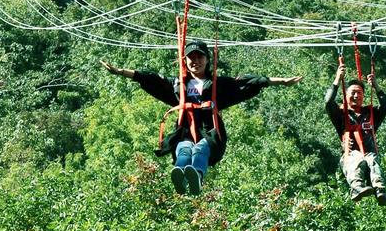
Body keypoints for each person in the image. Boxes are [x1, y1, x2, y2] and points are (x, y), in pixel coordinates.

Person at [101, 40, 302, 196]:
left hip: (209, 130)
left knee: (200, 149)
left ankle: (197, 175)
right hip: (185, 129)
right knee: (183, 149)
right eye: (191, 58)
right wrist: (121, 72)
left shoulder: (217, 84)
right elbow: (151, 78)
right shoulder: (177, 84)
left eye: (200, 57)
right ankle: (180, 174)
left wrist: (280, 81)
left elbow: (247, 82)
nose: (195, 61)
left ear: (207, 60)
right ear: (185, 61)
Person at [325, 65, 386, 204]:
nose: (356, 96)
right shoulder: (341, 115)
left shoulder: (370, 113)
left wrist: (376, 86)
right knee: (358, 159)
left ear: (363, 96)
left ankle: (380, 189)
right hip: (351, 156)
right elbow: (328, 101)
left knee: (372, 160)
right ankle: (356, 187)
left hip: (369, 154)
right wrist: (337, 79)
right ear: (346, 95)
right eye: (353, 93)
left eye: (359, 93)